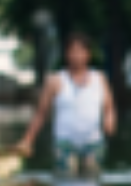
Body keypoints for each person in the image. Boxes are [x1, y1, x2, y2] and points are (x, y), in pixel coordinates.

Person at [19, 33, 118, 175]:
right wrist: (27, 140)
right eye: (73, 51)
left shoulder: (100, 79)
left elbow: (109, 107)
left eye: (80, 51)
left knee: (92, 180)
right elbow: (41, 114)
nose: (76, 56)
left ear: (88, 54)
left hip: (93, 142)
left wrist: (110, 120)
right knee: (67, 180)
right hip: (65, 143)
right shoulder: (55, 80)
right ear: (66, 54)